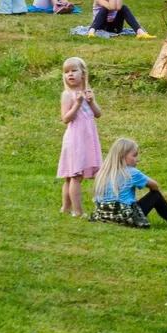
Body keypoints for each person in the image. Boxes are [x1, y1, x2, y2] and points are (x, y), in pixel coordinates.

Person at [89, 138, 167, 228]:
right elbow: (155, 186)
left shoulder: (103, 172)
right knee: (156, 195)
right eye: (134, 155)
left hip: (103, 216)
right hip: (125, 217)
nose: (137, 159)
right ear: (122, 156)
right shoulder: (131, 173)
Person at [58, 56, 103, 217]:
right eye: (66, 72)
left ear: (83, 74)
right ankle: (77, 211)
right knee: (74, 175)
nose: (69, 74)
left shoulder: (87, 92)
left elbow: (98, 114)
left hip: (87, 138)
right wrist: (77, 104)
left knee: (73, 177)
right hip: (75, 138)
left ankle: (65, 208)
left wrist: (91, 102)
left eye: (73, 70)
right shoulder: (67, 95)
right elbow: (65, 118)